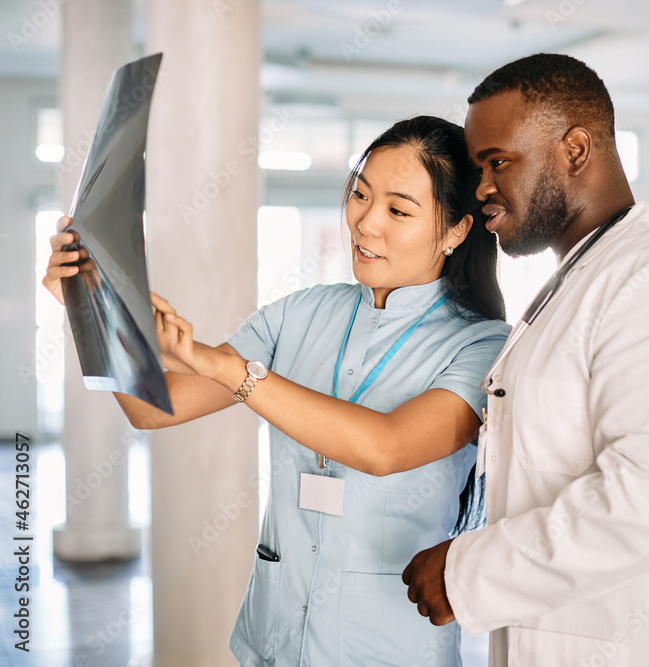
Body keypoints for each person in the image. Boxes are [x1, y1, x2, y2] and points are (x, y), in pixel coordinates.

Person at [43, 116, 511, 667]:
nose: (365, 222)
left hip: (387, 647)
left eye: (398, 210)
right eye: (360, 195)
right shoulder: (301, 313)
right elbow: (153, 408)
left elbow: (385, 447)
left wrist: (234, 373)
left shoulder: (483, 345)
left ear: (456, 230)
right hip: (274, 641)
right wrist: (89, 308)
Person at [402, 54, 649, 666]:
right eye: (478, 167)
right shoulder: (583, 280)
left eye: (497, 162)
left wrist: (468, 573)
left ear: (575, 150)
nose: (483, 187)